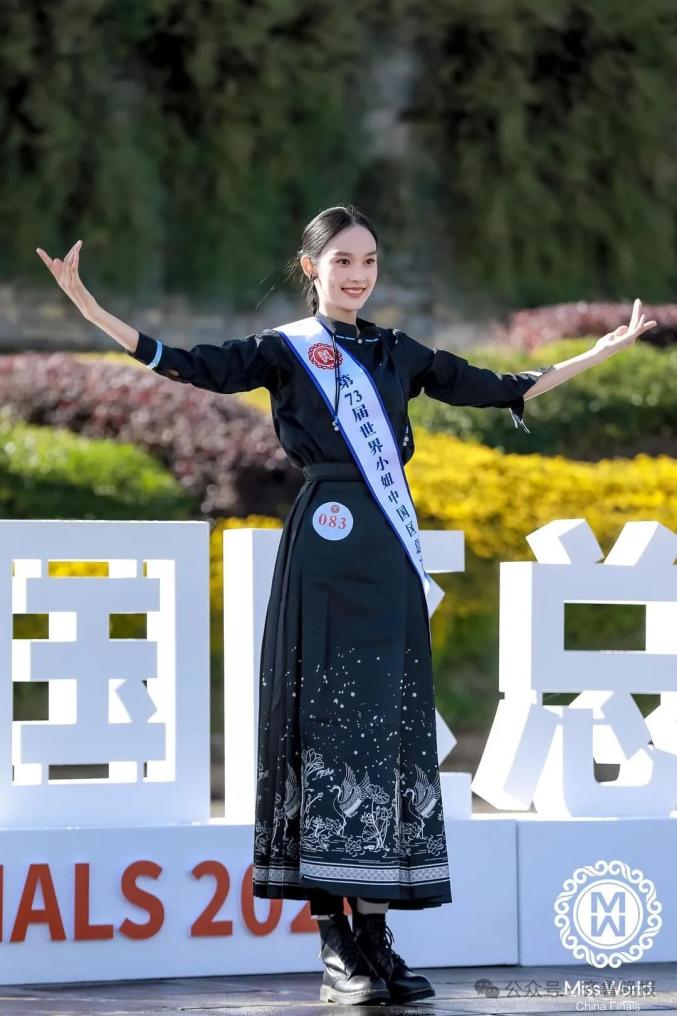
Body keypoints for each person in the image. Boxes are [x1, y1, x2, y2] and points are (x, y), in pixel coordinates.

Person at [36, 206, 656, 1004]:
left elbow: (500, 387)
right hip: (324, 553)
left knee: (384, 734)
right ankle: (335, 946)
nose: (357, 275)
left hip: (387, 554)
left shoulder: (399, 352)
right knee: (326, 729)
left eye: (368, 261)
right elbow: (185, 363)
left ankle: (375, 939)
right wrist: (90, 308)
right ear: (311, 268)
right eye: (342, 262)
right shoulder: (284, 350)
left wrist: (598, 354)